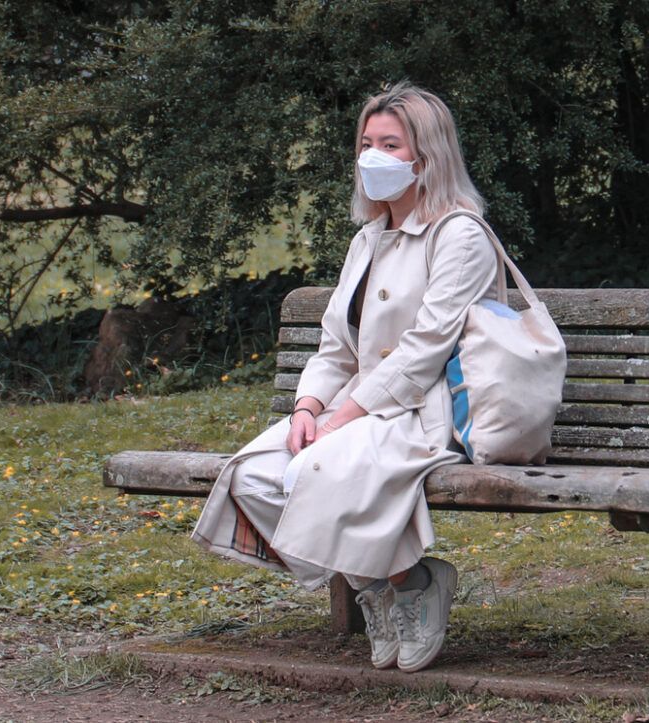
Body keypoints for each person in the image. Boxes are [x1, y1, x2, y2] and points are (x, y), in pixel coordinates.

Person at [191, 81, 499, 673]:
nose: (373, 157)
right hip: (356, 408)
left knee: (316, 470)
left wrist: (342, 420)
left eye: (390, 144)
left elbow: (424, 351)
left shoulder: (460, 235)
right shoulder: (367, 239)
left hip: (423, 411)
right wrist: (307, 409)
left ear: (427, 156)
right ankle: (386, 584)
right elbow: (335, 346)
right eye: (366, 144)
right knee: (251, 477)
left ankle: (410, 587)